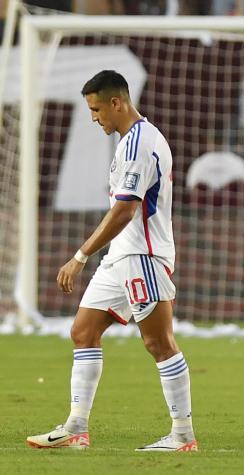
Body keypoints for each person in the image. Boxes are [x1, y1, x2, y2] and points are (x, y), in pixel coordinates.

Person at [26, 70, 197, 452]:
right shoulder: (127, 142)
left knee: (159, 343)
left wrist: (80, 256)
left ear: (117, 102)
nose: (94, 117)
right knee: (83, 331)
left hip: (143, 257)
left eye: (97, 109)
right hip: (120, 257)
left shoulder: (139, 143)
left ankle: (183, 435)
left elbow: (125, 210)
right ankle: (76, 427)